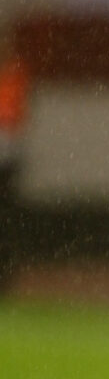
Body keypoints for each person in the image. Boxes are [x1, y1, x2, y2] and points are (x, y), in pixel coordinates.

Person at [0, 21, 31, 294]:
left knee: (6, 222)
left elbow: (11, 114)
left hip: (6, 160)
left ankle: (6, 275)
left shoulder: (13, 75)